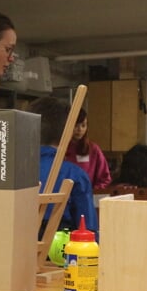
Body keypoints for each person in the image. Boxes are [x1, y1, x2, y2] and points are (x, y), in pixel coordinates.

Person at [31, 97, 98, 234]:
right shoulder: (75, 175)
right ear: (68, 133)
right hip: (60, 252)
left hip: (12, 248)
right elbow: (88, 232)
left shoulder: (8, 171)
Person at [65, 108, 112, 190]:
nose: (80, 130)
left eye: (83, 125)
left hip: (86, 196)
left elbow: (105, 178)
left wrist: (92, 192)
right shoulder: (60, 148)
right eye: (76, 125)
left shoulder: (93, 149)